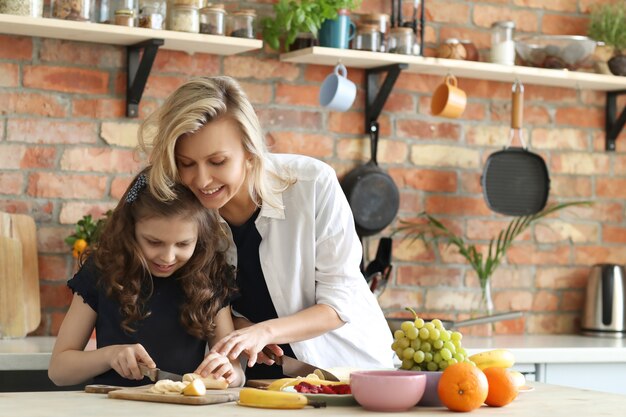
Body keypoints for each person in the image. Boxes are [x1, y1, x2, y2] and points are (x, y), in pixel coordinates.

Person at [139, 76, 395, 380]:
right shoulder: (186, 214)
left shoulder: (312, 184)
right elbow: (204, 301)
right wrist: (242, 327)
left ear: (250, 151)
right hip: (264, 384)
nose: (202, 180)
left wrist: (265, 332)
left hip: (350, 374)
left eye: (218, 161)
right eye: (187, 164)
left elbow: (340, 303)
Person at [48, 168, 245, 388]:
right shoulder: (103, 270)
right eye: (154, 242)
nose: (168, 257)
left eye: (183, 244)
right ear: (130, 230)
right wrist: (110, 355)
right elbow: (59, 371)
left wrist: (231, 373)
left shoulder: (211, 276)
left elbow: (235, 370)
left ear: (200, 238)